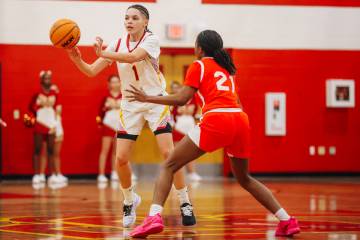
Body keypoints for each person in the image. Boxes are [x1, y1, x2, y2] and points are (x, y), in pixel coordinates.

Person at [127, 30, 301, 238]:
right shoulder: (228, 70)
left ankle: (153, 218)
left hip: (218, 119)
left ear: (199, 48)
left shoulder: (198, 65)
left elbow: (182, 99)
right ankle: (287, 220)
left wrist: (148, 98)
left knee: (169, 165)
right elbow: (237, 103)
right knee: (244, 178)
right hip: (240, 120)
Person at [66, 4, 196, 227]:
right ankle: (129, 200)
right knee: (121, 158)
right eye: (126, 17)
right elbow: (90, 71)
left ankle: (185, 202)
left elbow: (132, 57)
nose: (129, 21)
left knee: (169, 154)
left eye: (134, 18)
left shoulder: (151, 40)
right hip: (130, 105)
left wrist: (103, 52)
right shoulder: (117, 43)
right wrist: (76, 58)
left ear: (145, 22)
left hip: (155, 100)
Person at [29, 70, 59, 186]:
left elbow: (57, 107)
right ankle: (37, 175)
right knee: (37, 149)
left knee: (51, 150)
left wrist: (56, 123)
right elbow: (30, 106)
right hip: (40, 122)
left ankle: (51, 175)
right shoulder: (37, 92)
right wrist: (37, 110)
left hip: (51, 123)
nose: (48, 80)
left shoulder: (54, 92)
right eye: (45, 78)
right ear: (41, 80)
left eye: (49, 78)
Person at [170, 81, 202, 181]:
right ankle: (177, 174)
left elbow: (194, 111)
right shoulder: (173, 100)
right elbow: (171, 115)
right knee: (177, 152)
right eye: (173, 88)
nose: (176, 90)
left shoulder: (193, 99)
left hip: (190, 126)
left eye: (177, 87)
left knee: (191, 151)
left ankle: (192, 173)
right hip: (178, 127)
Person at [97, 75, 122, 183]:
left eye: (117, 82)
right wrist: (100, 125)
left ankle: (114, 172)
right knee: (105, 150)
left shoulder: (123, 96)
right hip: (108, 125)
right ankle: (101, 174)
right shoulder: (106, 97)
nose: (115, 84)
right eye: (113, 82)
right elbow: (99, 114)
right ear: (109, 84)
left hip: (119, 125)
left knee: (116, 151)